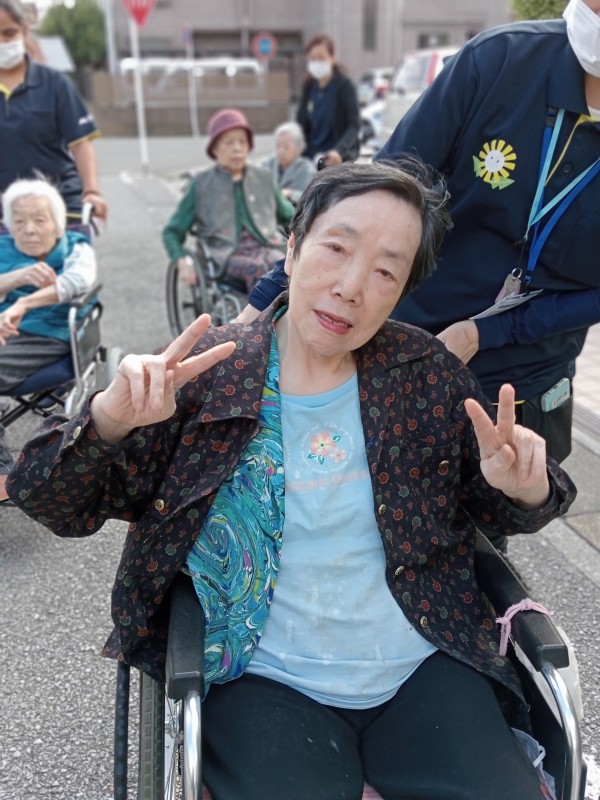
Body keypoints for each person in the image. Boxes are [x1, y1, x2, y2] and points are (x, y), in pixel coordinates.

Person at [7, 161, 575, 799]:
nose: (351, 287)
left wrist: (522, 485)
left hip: (423, 658)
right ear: (293, 246)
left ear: (401, 292)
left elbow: (509, 508)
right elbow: (48, 499)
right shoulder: (208, 378)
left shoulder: (425, 374)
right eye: (337, 248)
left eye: (385, 272)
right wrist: (107, 421)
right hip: (262, 674)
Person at [242, 1, 600, 551]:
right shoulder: (499, 62)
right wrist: (266, 300)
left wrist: (488, 332)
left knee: (477, 532)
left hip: (523, 364)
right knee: (358, 504)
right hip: (409, 339)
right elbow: (381, 192)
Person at [0, 177, 97, 501]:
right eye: (19, 221)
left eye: (39, 220)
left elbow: (78, 281)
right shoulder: (4, 249)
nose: (29, 229)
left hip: (47, 335)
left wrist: (23, 303)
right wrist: (18, 277)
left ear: (57, 225)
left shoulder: (75, 248)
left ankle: (1, 473)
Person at [162, 107, 295, 294]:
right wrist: (181, 261)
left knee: (284, 265)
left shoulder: (264, 179)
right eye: (229, 142)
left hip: (265, 245)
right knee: (259, 269)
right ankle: (262, 313)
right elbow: (172, 231)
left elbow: (290, 217)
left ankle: (286, 311)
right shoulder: (200, 184)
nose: (237, 148)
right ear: (215, 149)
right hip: (224, 254)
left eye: (242, 141)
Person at [0, 0, 107, 220]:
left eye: (9, 33)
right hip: (5, 212)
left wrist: (92, 192)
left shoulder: (55, 84)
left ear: (25, 31)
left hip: (58, 208)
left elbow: (80, 144)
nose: (2, 42)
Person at [296, 33, 360, 167]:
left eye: (321, 58)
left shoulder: (344, 86)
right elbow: (301, 123)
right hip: (311, 157)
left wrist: (339, 151)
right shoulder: (308, 87)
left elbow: (353, 125)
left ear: (332, 58)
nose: (317, 62)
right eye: (313, 58)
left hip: (337, 158)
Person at [260, 120, 316, 203]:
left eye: (286, 147)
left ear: (298, 148)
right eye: (278, 146)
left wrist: (291, 194)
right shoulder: (268, 164)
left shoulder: (306, 169)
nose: (281, 151)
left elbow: (310, 197)